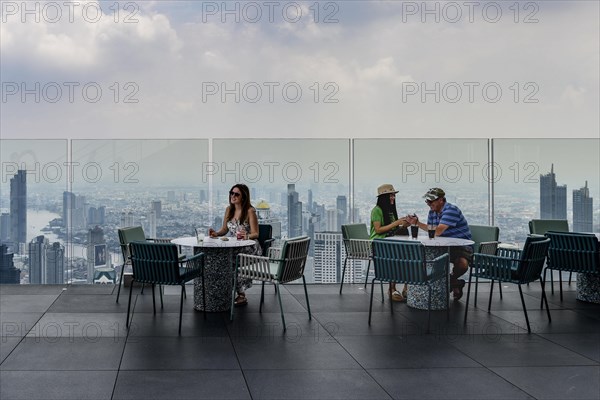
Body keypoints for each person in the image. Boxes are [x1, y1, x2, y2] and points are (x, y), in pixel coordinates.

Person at [406, 188, 473, 300]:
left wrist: (417, 223)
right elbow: (433, 233)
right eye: (427, 201)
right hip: (443, 246)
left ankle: (449, 281)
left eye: (431, 201)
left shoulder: (451, 210)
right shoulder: (432, 213)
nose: (428, 204)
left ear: (441, 200)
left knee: (462, 264)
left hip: (460, 246)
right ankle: (453, 283)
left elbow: (436, 231)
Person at [209, 183, 261, 306]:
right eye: (231, 193)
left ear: (243, 196)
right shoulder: (229, 210)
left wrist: (246, 236)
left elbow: (256, 234)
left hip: (250, 247)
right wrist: (216, 233)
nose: (233, 196)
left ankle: (241, 294)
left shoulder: (250, 211)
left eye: (236, 194)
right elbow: (224, 230)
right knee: (221, 258)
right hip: (235, 245)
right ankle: (223, 290)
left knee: (231, 260)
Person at [370, 184, 410, 302]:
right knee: (395, 256)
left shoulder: (391, 211)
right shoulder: (376, 210)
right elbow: (378, 230)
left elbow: (393, 229)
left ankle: (407, 286)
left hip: (391, 241)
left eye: (393, 195)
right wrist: (397, 223)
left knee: (409, 252)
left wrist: (404, 224)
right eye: (390, 196)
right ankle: (392, 289)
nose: (393, 198)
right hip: (379, 242)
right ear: (383, 198)